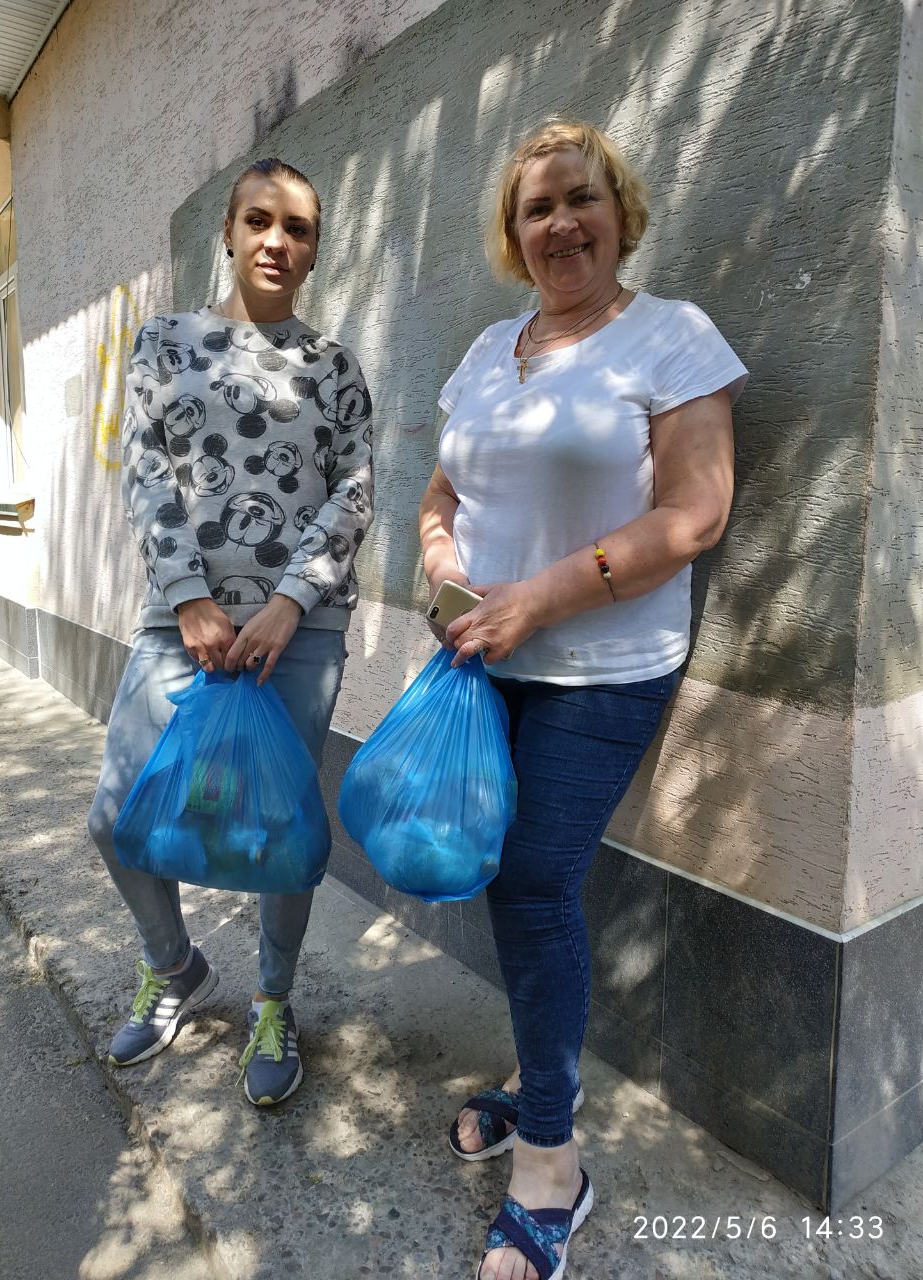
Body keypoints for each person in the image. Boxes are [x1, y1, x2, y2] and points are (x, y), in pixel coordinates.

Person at [419, 120, 747, 1280]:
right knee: (503, 878)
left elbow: (694, 516)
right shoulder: (487, 347)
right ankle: (537, 1074)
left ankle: (553, 1163)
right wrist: (441, 561)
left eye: (580, 198)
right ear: (512, 235)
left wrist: (537, 600)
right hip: (484, 660)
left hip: (600, 669)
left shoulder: (671, 337)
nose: (559, 222)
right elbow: (443, 490)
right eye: (536, 207)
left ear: (621, 211)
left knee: (532, 882)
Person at [87, 157, 374, 1107]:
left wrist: (291, 601)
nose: (275, 242)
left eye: (297, 229)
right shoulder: (166, 343)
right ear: (228, 232)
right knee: (117, 816)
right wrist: (187, 598)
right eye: (258, 221)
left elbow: (354, 490)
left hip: (300, 633)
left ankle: (274, 1000)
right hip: (182, 626)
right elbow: (145, 473)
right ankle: (176, 970)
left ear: (314, 250)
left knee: (280, 829)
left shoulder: (333, 367)